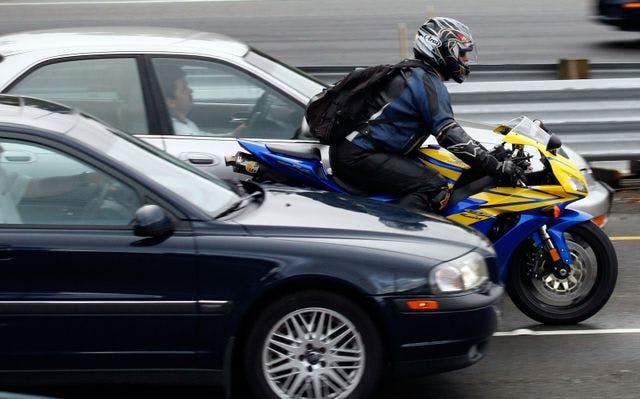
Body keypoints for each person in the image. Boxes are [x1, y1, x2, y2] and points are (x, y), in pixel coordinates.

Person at [329, 17, 525, 213]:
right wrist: (497, 167)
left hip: (357, 151)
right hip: (358, 155)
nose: (465, 59)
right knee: (434, 187)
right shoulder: (426, 82)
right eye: (462, 53)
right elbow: (450, 135)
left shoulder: (416, 73)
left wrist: (493, 156)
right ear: (441, 50)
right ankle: (391, 239)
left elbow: (452, 133)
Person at [157, 64, 204, 135]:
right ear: (170, 102)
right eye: (184, 88)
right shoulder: (182, 131)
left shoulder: (184, 123)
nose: (190, 91)